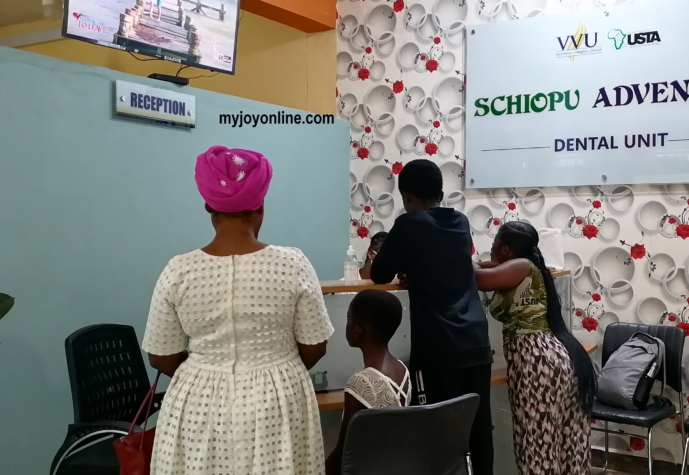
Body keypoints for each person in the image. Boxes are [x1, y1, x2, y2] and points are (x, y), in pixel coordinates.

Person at [142, 146, 333, 475]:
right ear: (260, 204)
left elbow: (160, 356)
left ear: (208, 206)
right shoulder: (293, 264)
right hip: (278, 400)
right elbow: (315, 346)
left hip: (197, 403)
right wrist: (275, 370)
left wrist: (206, 368)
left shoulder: (179, 270)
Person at [369, 159, 494, 475]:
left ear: (408, 197)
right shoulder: (460, 221)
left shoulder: (409, 224)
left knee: (434, 434)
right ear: (440, 191)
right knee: (479, 430)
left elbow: (380, 273)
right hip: (476, 342)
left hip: (438, 346)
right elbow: (444, 262)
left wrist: (408, 266)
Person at [473, 221, 595, 475]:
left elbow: (479, 278)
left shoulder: (521, 266)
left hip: (535, 361)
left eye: (494, 242)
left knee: (536, 444)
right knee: (566, 441)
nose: (491, 248)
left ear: (505, 249)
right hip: (555, 358)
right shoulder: (529, 267)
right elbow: (486, 268)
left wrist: (455, 255)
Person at [325, 289, 410, 475]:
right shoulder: (402, 370)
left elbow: (343, 454)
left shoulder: (362, 382)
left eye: (348, 318)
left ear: (357, 330)